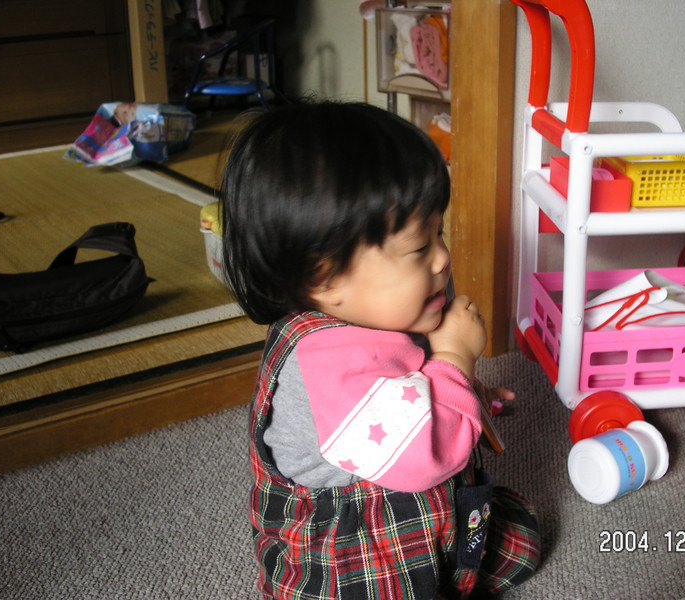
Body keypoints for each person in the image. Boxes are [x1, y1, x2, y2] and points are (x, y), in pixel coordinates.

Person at [220, 101, 540, 599]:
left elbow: (409, 383)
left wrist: (467, 392)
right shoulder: (330, 368)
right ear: (325, 277)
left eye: (439, 233)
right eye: (419, 247)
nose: (443, 258)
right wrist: (455, 359)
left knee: (520, 535)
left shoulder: (377, 311)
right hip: (354, 549)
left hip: (412, 497)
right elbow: (424, 456)